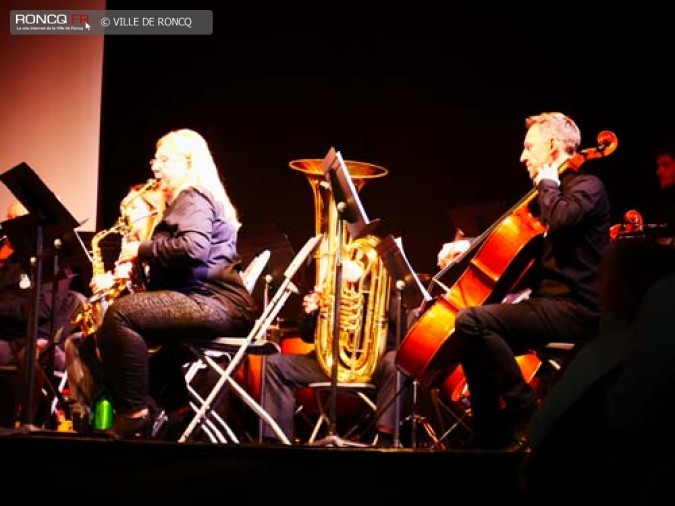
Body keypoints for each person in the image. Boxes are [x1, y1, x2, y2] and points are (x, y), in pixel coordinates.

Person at [436, 112, 611, 451]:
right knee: (468, 331)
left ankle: (524, 411)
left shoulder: (587, 187)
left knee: (473, 322)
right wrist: (467, 248)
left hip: (577, 309)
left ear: (552, 147)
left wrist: (548, 183)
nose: (522, 157)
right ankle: (489, 429)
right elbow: (521, 255)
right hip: (548, 304)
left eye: (529, 148)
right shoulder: (550, 196)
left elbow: (560, 220)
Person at [92, 128, 256, 440]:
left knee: (121, 314)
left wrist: (139, 250)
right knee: (150, 348)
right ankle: (179, 414)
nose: (156, 166)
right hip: (213, 302)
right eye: (156, 159)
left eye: (165, 160)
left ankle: (133, 414)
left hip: (215, 302)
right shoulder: (195, 198)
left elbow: (192, 250)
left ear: (189, 163)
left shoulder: (192, 195)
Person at [261, 283, 410, 447]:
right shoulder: (331, 282)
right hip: (330, 362)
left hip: (374, 363)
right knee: (275, 364)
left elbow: (405, 329)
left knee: (397, 362)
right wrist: (311, 313)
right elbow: (307, 336)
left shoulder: (388, 282)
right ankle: (276, 443)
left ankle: (386, 441)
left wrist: (371, 290)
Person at [0, 200, 86, 427]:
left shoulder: (55, 262)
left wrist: (3, 308)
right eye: (7, 219)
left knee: (30, 356)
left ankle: (26, 422)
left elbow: (42, 309)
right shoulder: (9, 262)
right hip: (9, 337)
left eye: (13, 221)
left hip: (39, 341)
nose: (6, 226)